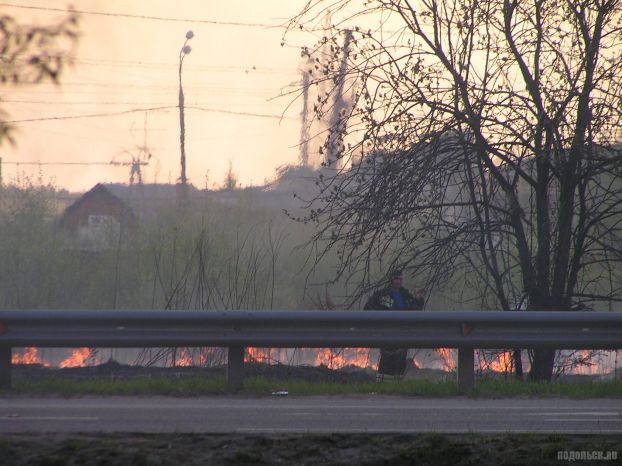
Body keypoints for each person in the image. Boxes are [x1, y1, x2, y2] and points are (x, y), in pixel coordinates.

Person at [364, 269, 424, 380]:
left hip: (403, 333)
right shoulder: (381, 295)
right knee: (387, 360)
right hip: (387, 332)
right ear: (391, 280)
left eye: (401, 279)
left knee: (401, 361)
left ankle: (397, 386)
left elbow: (415, 312)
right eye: (397, 279)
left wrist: (418, 300)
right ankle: (383, 385)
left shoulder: (406, 295)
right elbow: (368, 308)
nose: (399, 281)